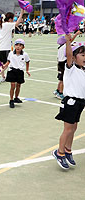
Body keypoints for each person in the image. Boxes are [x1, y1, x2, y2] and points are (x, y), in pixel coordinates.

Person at [53, 34, 85, 170]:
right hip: (70, 102)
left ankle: (68, 150)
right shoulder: (70, 68)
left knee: (74, 128)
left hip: (80, 102)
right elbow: (68, 54)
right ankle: (59, 153)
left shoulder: (83, 70)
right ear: (74, 56)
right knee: (67, 129)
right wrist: (67, 41)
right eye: (83, 55)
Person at [0, 9, 24, 83]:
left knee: (2, 63)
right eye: (12, 18)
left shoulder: (2, 25)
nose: (13, 20)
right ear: (10, 19)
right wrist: (21, 13)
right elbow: (17, 23)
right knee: (7, 63)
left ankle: (2, 77)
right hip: (5, 47)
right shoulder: (7, 24)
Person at [1, 39, 30, 108]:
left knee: (18, 85)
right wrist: (5, 65)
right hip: (12, 71)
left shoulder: (25, 54)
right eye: (16, 45)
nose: (18, 47)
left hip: (20, 71)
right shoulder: (11, 53)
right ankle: (11, 100)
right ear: (14, 46)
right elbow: (8, 61)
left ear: (23, 47)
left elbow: (27, 62)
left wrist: (27, 70)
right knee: (13, 85)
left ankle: (16, 97)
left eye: (20, 45)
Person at [54, 32, 80, 100]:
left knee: (60, 78)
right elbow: (70, 41)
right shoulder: (65, 46)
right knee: (63, 79)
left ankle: (57, 90)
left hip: (60, 63)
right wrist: (76, 34)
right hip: (63, 63)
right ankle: (60, 93)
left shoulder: (60, 47)